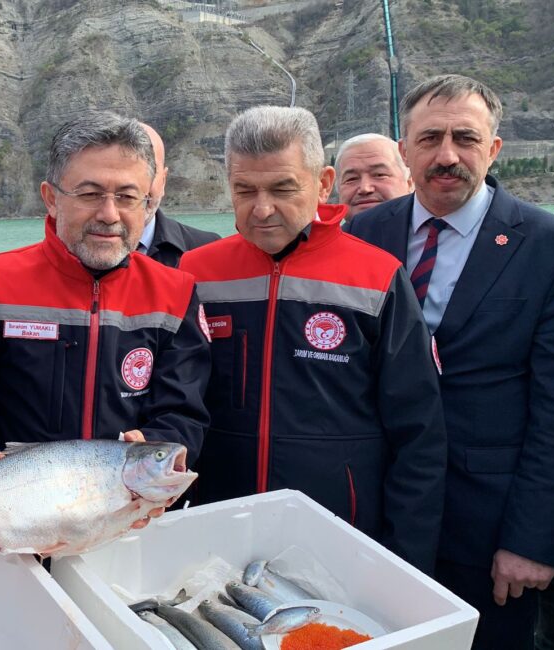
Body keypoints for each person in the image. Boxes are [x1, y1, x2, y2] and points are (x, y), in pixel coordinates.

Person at [178, 106, 447, 574]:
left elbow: (419, 431)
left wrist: (406, 557)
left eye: (283, 188)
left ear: (322, 183)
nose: (262, 209)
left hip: (340, 530)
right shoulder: (196, 273)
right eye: (245, 190)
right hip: (218, 525)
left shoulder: (377, 276)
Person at [345, 74, 554, 650]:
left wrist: (533, 540)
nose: (447, 156)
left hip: (490, 534)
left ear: (493, 149)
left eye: (465, 138)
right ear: (404, 149)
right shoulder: (363, 233)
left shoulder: (547, 244)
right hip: (378, 514)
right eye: (430, 139)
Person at [0, 111, 211, 487]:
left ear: (148, 203)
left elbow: (184, 412)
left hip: (126, 508)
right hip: (11, 506)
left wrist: (156, 450)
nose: (109, 214)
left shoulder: (176, 293)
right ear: (51, 198)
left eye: (127, 196)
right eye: (90, 194)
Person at [137, 122, 219, 266]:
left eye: (150, 172)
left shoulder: (209, 250)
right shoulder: (84, 253)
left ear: (163, 180)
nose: (134, 189)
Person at [333, 133, 414, 219]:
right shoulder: (322, 232)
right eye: (351, 178)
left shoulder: (426, 231)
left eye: (379, 175)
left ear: (410, 183)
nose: (365, 188)